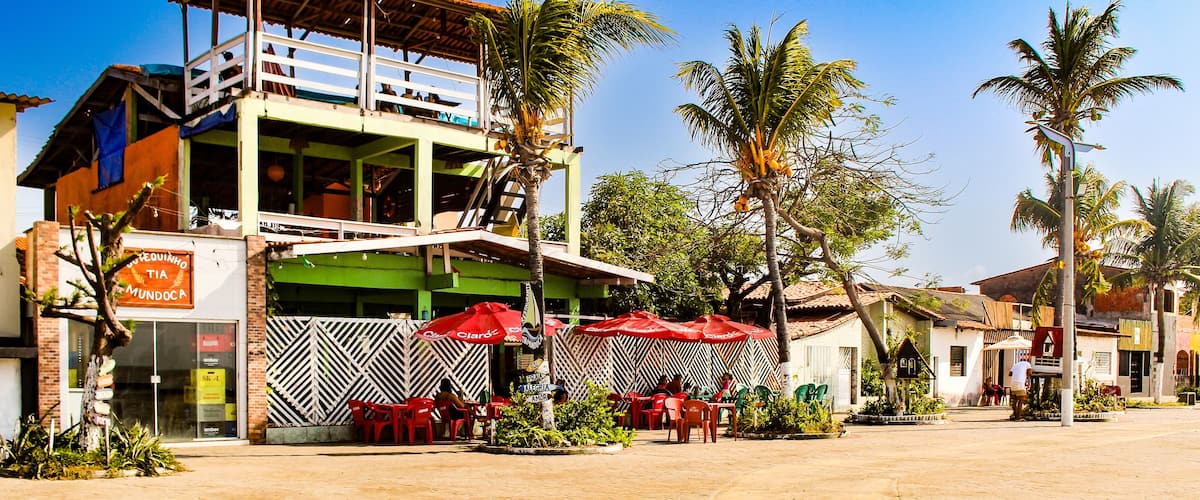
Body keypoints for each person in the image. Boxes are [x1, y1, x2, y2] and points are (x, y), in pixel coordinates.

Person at [1009, 354, 1033, 420]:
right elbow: (1030, 373)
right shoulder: (1028, 364)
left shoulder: (1016, 364)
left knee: (1015, 400)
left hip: (1013, 383)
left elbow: (1010, 374)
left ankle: (1015, 414)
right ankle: (1018, 417)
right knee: (1021, 400)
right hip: (1020, 383)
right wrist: (1027, 375)